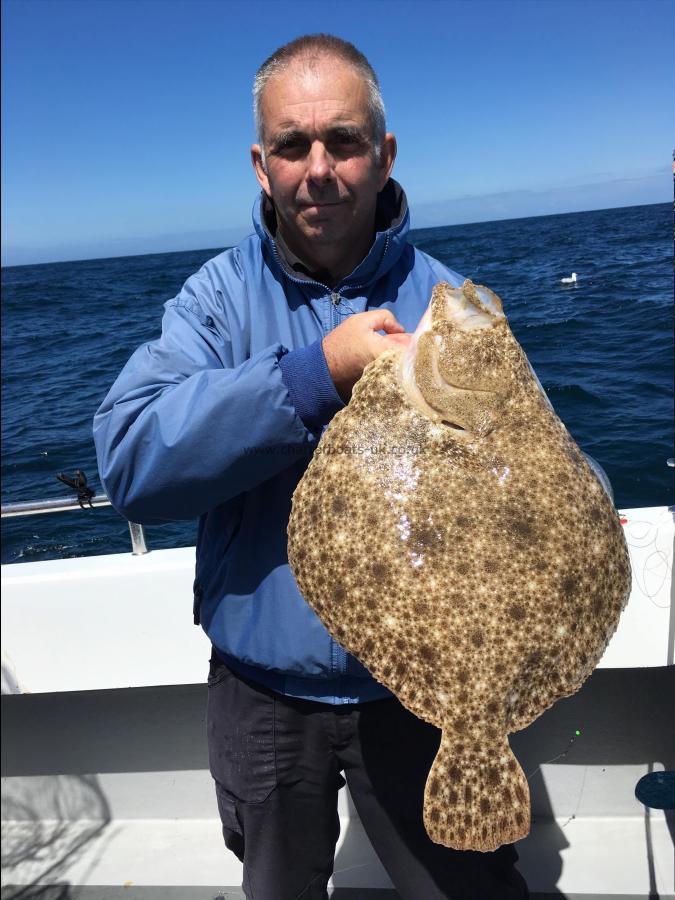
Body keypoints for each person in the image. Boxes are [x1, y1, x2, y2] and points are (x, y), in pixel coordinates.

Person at [94, 33, 530, 900]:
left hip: (424, 693)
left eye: (343, 140)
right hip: (263, 698)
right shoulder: (215, 301)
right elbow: (131, 462)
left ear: (383, 154)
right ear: (262, 165)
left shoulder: (451, 302)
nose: (318, 167)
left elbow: (537, 464)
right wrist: (313, 373)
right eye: (292, 145)